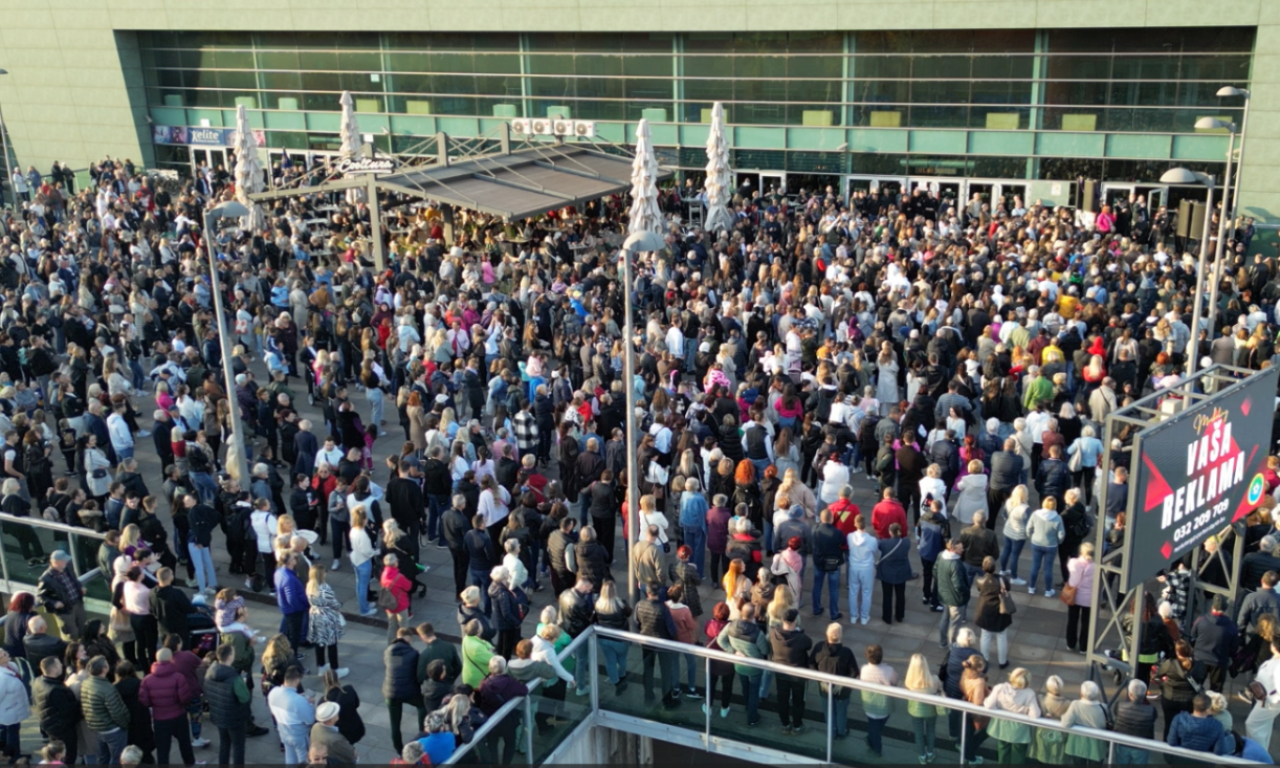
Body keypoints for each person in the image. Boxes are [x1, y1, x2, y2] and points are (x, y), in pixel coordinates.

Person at [139, 647, 196, 767]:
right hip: (178, 716)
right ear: (171, 659)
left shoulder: (147, 680)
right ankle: (190, 764)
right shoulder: (178, 677)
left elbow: (145, 701)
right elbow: (185, 698)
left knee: (162, 750)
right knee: (185, 744)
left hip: (160, 719)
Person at [717, 602, 769, 727]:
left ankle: (747, 706)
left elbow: (720, 640)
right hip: (755, 667)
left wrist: (733, 651)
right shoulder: (758, 633)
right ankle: (752, 718)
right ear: (754, 615)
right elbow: (765, 651)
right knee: (754, 692)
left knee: (745, 687)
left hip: (739, 665)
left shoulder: (730, 626)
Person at [205, 643, 252, 767]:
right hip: (234, 718)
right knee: (238, 747)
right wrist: (243, 683)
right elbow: (244, 697)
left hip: (218, 715)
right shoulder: (234, 678)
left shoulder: (210, 671)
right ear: (230, 657)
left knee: (224, 744)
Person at [983, 667, 1040, 764]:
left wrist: (1000, 707)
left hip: (1001, 728)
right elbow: (1035, 715)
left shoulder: (1000, 688)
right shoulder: (1029, 694)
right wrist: (1024, 710)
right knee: (1018, 757)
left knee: (1003, 755)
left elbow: (988, 705)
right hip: (1020, 732)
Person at [769, 606, 812, 734]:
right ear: (794, 621)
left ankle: (785, 724)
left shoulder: (773, 633)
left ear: (782, 620)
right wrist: (799, 631)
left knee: (782, 699)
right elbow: (809, 644)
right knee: (798, 701)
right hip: (798, 674)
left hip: (780, 672)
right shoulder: (801, 638)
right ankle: (797, 726)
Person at [810, 622, 857, 740]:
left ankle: (831, 733)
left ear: (827, 634)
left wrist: (821, 681)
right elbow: (854, 671)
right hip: (842, 690)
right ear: (840, 635)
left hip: (824, 689)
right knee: (841, 712)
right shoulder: (846, 652)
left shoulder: (819, 647)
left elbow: (811, 664)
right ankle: (841, 732)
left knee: (828, 711)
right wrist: (842, 683)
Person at [383, 627, 425, 756]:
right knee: (422, 707)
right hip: (409, 691)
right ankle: (422, 736)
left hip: (390, 692)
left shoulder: (388, 651)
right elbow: (418, 673)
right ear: (408, 638)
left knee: (395, 724)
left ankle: (399, 749)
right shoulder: (413, 653)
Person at [82, 655, 130, 764]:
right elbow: (116, 712)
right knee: (117, 759)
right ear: (104, 669)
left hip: (97, 730)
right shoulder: (108, 688)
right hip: (112, 730)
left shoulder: (85, 683)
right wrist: (125, 724)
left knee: (102, 759)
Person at [33, 656, 81, 765]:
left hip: (50, 725)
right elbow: (68, 710)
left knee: (56, 756)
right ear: (53, 668)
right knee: (68, 757)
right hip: (62, 729)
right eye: (59, 664)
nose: (62, 666)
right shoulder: (55, 690)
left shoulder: (38, 681)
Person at [1157, 639, 1208, 740]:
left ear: (1177, 652)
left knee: (1169, 724)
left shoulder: (1169, 664)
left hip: (1170, 698)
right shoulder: (1199, 665)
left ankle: (1167, 744)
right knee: (1188, 725)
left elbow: (1159, 674)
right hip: (1190, 700)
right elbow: (1201, 680)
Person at [1189, 594, 1239, 691]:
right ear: (1225, 609)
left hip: (1200, 659)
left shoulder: (1200, 620)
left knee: (1194, 687)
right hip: (1219, 662)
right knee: (1216, 691)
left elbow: (1193, 636)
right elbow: (1234, 648)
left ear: (1212, 606)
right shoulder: (1231, 626)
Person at [267, 665, 314, 765]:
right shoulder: (298, 700)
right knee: (303, 760)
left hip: (283, 732)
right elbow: (310, 720)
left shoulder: (273, 692)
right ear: (297, 680)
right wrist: (310, 705)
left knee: (290, 757)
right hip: (299, 735)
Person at [859, 644, 898, 757]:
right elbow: (895, 682)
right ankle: (877, 748)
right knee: (876, 728)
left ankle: (871, 739)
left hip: (869, 706)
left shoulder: (864, 670)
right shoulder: (889, 670)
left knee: (874, 727)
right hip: (885, 706)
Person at [975, 556, 1013, 669]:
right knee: (1001, 637)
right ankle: (1002, 661)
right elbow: (1008, 588)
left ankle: (984, 660)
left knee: (985, 636)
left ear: (983, 568)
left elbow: (979, 589)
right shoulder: (1002, 579)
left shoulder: (980, 580)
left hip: (985, 611)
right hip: (1000, 611)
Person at [1166, 693, 1232, 758]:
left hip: (1181, 760)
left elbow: (1172, 742)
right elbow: (1219, 751)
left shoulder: (1178, 719)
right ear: (1208, 710)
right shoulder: (1217, 726)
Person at [903, 653, 941, 763]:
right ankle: (930, 753)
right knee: (931, 730)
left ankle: (922, 756)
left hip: (915, 710)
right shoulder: (934, 679)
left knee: (918, 733)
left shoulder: (909, 681)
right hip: (931, 711)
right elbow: (939, 689)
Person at [1060, 680, 1109, 765]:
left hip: (1078, 746)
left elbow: (1065, 724)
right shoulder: (1103, 708)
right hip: (1096, 748)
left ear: (1081, 694)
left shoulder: (1075, 705)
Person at [1111, 679, 1157, 765]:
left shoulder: (1119, 706)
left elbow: (1115, 713)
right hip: (1142, 745)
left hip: (1123, 743)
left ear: (1130, 694)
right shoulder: (1151, 710)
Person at [1026, 495, 1065, 597]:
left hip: (1036, 543)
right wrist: (1058, 542)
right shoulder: (1058, 518)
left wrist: (1031, 537)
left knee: (1035, 566)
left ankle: (1031, 588)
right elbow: (1061, 535)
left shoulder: (1035, 514)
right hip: (1051, 546)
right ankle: (1048, 590)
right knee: (1048, 568)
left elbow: (1028, 528)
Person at [936, 538, 971, 647]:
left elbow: (935, 570)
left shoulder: (941, 555)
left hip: (944, 595)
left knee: (945, 619)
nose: (963, 550)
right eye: (960, 548)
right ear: (953, 549)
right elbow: (959, 586)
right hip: (955, 600)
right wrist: (967, 592)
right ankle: (953, 647)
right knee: (954, 625)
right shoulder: (956, 564)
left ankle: (942, 642)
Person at [876, 522, 912, 624]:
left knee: (887, 595)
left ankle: (887, 617)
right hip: (901, 572)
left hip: (887, 573)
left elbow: (878, 547)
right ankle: (899, 616)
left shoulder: (884, 543)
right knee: (900, 595)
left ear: (890, 532)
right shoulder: (906, 542)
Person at [811, 509, 843, 620]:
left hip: (819, 561)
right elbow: (842, 543)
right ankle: (834, 614)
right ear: (831, 519)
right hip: (832, 563)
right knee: (833, 589)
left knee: (817, 586)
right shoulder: (837, 532)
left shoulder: (814, 529)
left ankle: (816, 609)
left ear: (821, 518)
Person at [846, 513, 878, 625]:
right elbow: (874, 552)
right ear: (866, 525)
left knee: (853, 591)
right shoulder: (872, 540)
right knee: (866, 592)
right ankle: (864, 617)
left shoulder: (850, 537)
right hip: (867, 568)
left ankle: (853, 616)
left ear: (855, 524)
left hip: (854, 567)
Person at [1064, 542, 1096, 653]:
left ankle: (1070, 644)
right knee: (1086, 623)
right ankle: (1084, 647)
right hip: (1089, 599)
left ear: (1081, 551)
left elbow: (1072, 576)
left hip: (1073, 596)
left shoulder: (1073, 562)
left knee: (1072, 620)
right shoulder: (1096, 567)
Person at [381, 553, 415, 644]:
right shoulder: (399, 577)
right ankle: (404, 646)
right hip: (400, 604)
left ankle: (391, 645)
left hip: (389, 604)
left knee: (392, 626)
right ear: (395, 563)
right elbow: (408, 586)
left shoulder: (384, 574)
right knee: (404, 628)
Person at [310, 701, 357, 766]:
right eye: (336, 713)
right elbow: (350, 754)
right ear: (331, 720)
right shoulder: (335, 739)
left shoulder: (315, 726)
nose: (338, 713)